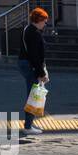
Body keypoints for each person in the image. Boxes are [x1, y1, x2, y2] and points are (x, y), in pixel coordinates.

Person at [18, 7, 50, 135]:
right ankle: (28, 126)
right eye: (45, 21)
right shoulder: (34, 33)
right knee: (33, 95)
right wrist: (41, 73)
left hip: (24, 63)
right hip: (29, 65)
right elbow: (35, 56)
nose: (45, 24)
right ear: (39, 20)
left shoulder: (27, 29)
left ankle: (29, 124)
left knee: (32, 94)